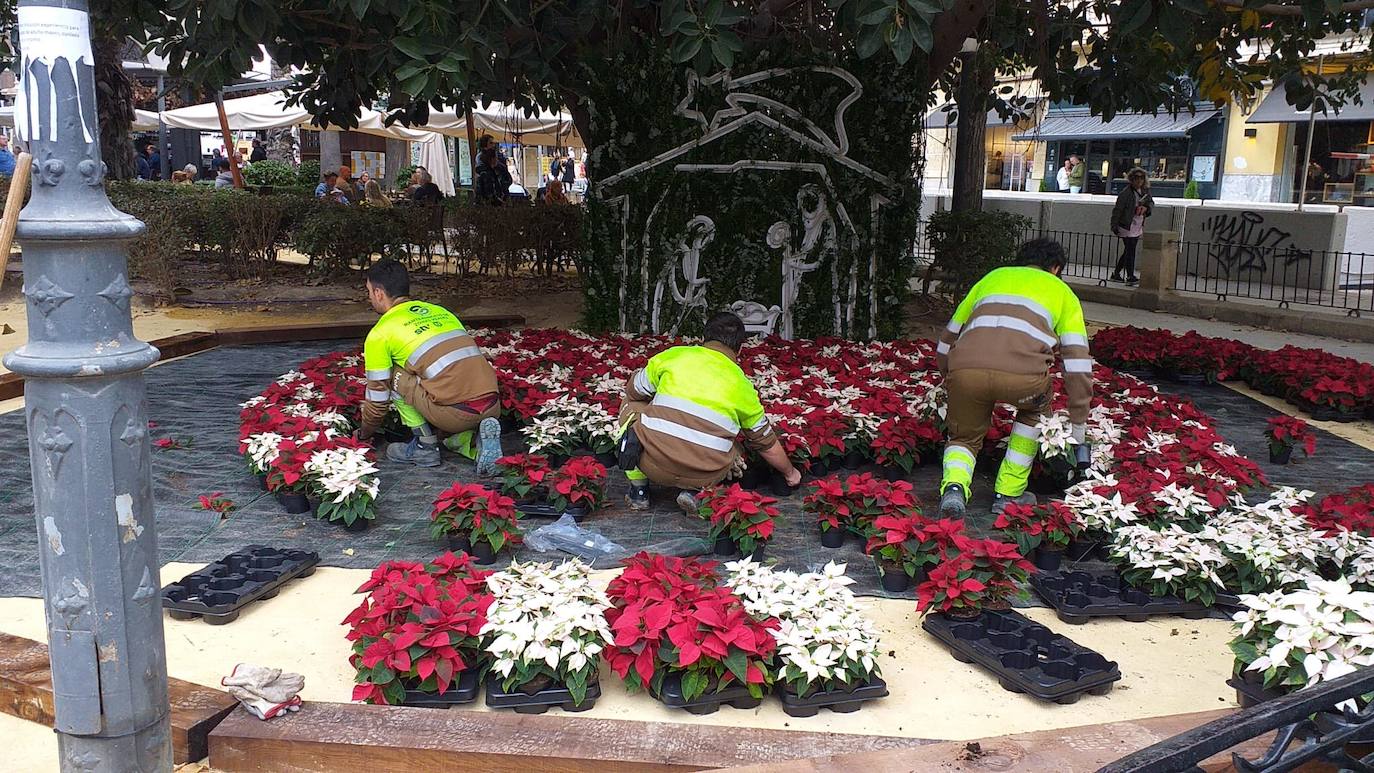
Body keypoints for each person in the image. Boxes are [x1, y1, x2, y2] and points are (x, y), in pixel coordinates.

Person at [935, 238, 1093, 518]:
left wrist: (950, 377)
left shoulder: (992, 278)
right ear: (1055, 268)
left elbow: (947, 339)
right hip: (1026, 380)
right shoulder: (1062, 292)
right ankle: (1008, 492)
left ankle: (955, 488)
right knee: (1036, 413)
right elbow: (1077, 361)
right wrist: (1078, 423)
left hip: (965, 370)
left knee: (964, 435)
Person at [616, 311, 802, 512]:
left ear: (705, 338)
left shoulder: (675, 356)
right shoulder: (743, 385)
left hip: (652, 463)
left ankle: (639, 491)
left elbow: (633, 390)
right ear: (739, 349)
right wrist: (791, 473)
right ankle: (697, 492)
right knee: (737, 445)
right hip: (705, 473)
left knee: (631, 404)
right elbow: (766, 442)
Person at [357, 260, 503, 470]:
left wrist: (365, 433)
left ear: (379, 293)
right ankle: (474, 444)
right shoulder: (441, 312)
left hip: (454, 415)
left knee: (393, 375)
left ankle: (425, 447)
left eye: (369, 292)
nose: (370, 297)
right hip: (492, 406)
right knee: (430, 376)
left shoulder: (381, 333)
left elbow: (378, 399)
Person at [1110, 167, 1154, 284]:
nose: (1139, 180)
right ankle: (1130, 276)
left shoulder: (1145, 191)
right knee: (1130, 249)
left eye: (1141, 178)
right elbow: (1117, 210)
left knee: (1129, 250)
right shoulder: (1125, 194)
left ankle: (1116, 273)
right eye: (1136, 178)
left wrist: (1146, 208)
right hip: (1126, 225)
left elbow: (1150, 203)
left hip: (1137, 224)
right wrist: (1114, 225)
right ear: (1131, 179)